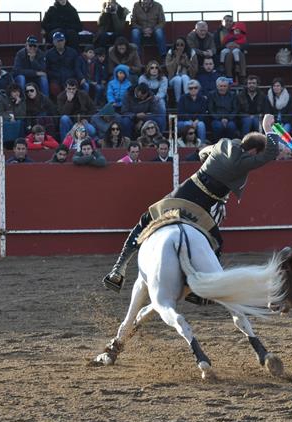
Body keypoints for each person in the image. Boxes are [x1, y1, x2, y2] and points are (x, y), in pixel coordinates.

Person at [103, 113, 280, 292]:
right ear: (253, 151)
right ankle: (201, 289)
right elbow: (272, 153)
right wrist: (267, 128)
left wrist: (211, 164)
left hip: (184, 192)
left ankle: (118, 269)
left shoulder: (223, 143)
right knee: (215, 244)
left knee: (146, 220)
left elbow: (203, 152)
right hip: (203, 207)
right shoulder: (244, 162)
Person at [46, 32, 82, 97]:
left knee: (75, 86)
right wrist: (54, 76)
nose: (60, 43)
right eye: (58, 41)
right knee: (54, 87)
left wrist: (81, 78)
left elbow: (77, 67)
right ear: (54, 42)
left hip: (70, 78)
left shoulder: (73, 52)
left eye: (61, 40)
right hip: (55, 79)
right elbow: (47, 69)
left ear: (65, 41)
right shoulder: (48, 54)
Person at [166, 37, 198, 104]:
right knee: (178, 79)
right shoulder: (171, 52)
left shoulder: (191, 52)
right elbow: (169, 69)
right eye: (177, 45)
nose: (179, 47)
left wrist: (186, 63)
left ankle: (188, 100)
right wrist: (177, 57)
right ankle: (178, 102)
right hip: (173, 78)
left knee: (184, 77)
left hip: (188, 77)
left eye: (182, 45)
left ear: (185, 45)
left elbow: (195, 70)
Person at [217, 16, 248, 82]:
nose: (228, 23)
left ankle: (242, 76)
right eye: (226, 21)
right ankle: (229, 76)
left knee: (239, 53)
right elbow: (217, 46)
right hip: (225, 52)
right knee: (229, 54)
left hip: (237, 52)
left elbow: (246, 44)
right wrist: (226, 46)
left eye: (230, 21)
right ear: (222, 22)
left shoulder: (239, 31)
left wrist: (238, 46)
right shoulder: (218, 33)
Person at [209, 77, 238, 142]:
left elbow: (235, 109)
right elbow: (210, 109)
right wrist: (220, 118)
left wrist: (227, 118)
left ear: (228, 86)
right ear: (217, 86)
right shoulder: (211, 95)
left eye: (225, 86)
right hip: (216, 119)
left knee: (231, 126)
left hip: (230, 119)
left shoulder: (233, 95)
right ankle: (217, 144)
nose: (223, 88)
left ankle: (230, 144)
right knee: (218, 126)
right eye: (221, 86)